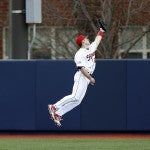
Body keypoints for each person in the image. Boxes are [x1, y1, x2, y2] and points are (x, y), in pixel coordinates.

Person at [48, 28, 105, 126]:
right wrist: (90, 78)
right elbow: (82, 68)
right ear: (83, 41)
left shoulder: (91, 48)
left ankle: (58, 113)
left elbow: (97, 40)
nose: (88, 39)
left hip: (86, 78)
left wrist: (102, 31)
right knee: (74, 96)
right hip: (82, 76)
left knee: (77, 100)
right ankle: (54, 106)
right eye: (86, 39)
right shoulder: (79, 54)